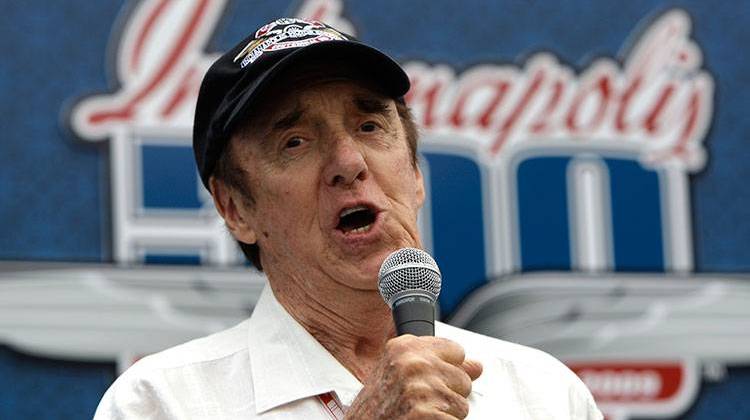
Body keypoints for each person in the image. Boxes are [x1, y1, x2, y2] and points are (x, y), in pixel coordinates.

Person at [94, 18, 602, 419]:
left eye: (369, 125)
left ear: (416, 174)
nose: (349, 163)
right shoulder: (159, 404)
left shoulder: (546, 395)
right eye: (294, 142)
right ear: (236, 209)